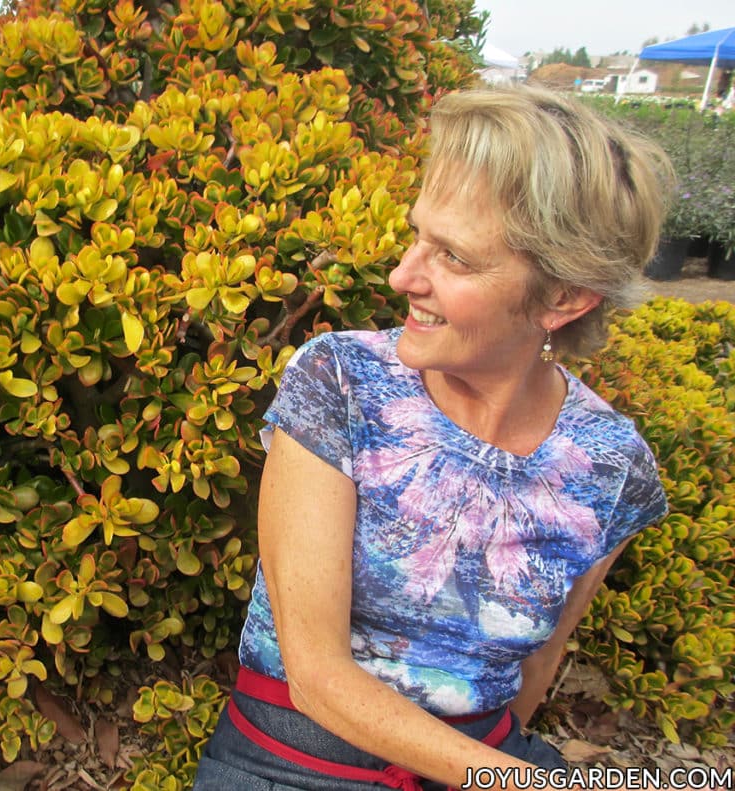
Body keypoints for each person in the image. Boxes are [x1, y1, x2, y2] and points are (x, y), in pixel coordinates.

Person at [193, 84, 672, 791]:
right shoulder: (341, 382)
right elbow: (317, 674)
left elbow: (532, 669)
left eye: (454, 257)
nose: (401, 274)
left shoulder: (611, 468)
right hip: (290, 765)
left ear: (564, 298)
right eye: (420, 235)